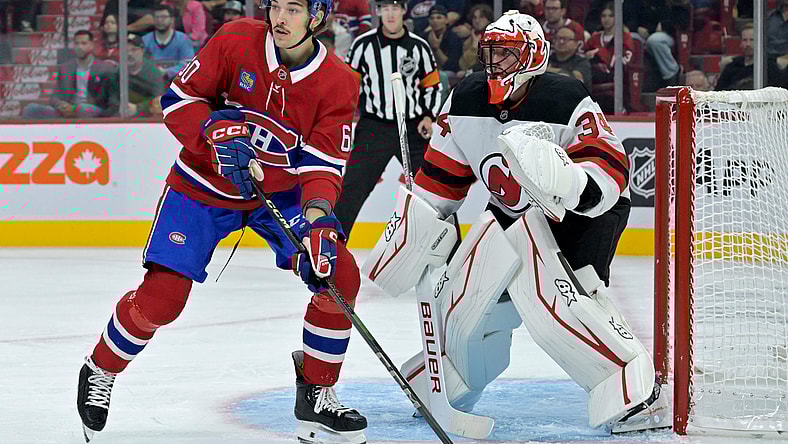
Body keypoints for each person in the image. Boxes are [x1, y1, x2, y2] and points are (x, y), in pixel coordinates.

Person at [75, 0, 365, 443]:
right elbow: (178, 100)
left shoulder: (338, 81)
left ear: (318, 16)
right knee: (163, 299)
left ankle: (316, 392)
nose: (279, 18)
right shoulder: (237, 39)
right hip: (202, 186)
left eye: (293, 9)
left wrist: (318, 219)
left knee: (338, 274)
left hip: (280, 195)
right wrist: (211, 132)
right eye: (276, 6)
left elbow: (323, 163)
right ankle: (101, 367)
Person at [372, 9, 669, 434]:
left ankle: (635, 392)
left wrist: (568, 180)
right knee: (466, 297)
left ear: (532, 57)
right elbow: (441, 180)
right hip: (513, 210)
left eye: (507, 54)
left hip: (580, 214)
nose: (495, 64)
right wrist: (415, 227)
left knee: (555, 303)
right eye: (490, 53)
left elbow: (612, 168)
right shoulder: (465, 98)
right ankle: (449, 382)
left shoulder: (565, 97)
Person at [333, 0, 442, 238]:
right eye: (385, 8)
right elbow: (348, 87)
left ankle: (448, 247)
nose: (390, 14)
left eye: (395, 8)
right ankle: (332, 247)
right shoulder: (363, 45)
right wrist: (344, 117)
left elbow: (432, 86)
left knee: (434, 190)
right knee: (351, 190)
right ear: (378, 11)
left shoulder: (419, 47)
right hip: (374, 127)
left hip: (413, 128)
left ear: (403, 10)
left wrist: (428, 116)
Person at [23, 30, 116, 119]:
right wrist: (61, 105)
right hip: (67, 109)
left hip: (90, 109)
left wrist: (76, 108)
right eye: (76, 43)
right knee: (30, 109)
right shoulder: (66, 68)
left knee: (82, 108)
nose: (79, 47)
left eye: (83, 43)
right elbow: (54, 97)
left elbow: (106, 99)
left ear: (91, 45)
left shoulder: (104, 68)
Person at [108, 34, 168, 117]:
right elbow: (112, 97)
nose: (129, 54)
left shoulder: (153, 73)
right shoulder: (117, 71)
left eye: (134, 50)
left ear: (142, 50)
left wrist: (138, 108)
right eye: (125, 50)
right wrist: (121, 107)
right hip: (121, 114)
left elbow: (159, 100)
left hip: (147, 115)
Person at [716, 25, 781, 90]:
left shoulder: (769, 67)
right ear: (741, 43)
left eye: (752, 40)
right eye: (745, 40)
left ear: (760, 42)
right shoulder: (731, 67)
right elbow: (718, 92)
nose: (748, 44)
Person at [584, 3, 634, 85]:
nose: (606, 19)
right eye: (603, 16)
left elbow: (625, 61)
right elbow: (582, 55)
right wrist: (587, 57)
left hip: (614, 75)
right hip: (594, 72)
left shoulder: (624, 37)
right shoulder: (595, 37)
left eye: (611, 16)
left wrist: (600, 52)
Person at [142, 4, 196, 79]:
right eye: (156, 17)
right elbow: (142, 63)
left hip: (177, 80)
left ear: (172, 19)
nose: (159, 20)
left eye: (164, 17)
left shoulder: (183, 39)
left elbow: (188, 63)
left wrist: (167, 72)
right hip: (151, 80)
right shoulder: (145, 40)